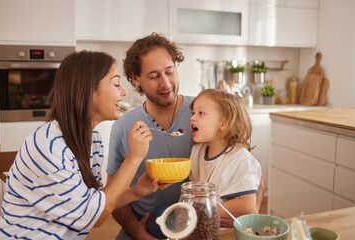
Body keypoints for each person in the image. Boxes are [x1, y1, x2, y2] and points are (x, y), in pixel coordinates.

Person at [107, 33, 265, 239]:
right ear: (136, 79)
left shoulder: (205, 112)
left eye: (169, 72)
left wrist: (247, 218)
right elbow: (112, 196)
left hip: (199, 227)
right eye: (154, 76)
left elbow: (253, 175)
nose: (166, 83)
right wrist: (139, 234)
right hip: (143, 229)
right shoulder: (123, 126)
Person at [0, 51, 168, 239]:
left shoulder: (91, 139)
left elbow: (92, 203)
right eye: (116, 83)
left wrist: (136, 192)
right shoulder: (49, 146)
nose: (123, 91)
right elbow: (93, 217)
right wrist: (134, 158)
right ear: (89, 90)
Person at [189, 89, 262, 225]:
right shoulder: (197, 151)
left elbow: (247, 205)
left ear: (224, 123)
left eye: (201, 113)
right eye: (193, 113)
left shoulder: (240, 159)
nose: (193, 117)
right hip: (204, 225)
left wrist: (204, 211)